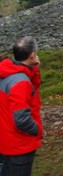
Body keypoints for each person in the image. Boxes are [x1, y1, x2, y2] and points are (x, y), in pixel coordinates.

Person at [0, 36, 43, 176]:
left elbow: (31, 89)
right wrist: (37, 129)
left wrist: (35, 70)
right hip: (20, 144)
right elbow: (21, 119)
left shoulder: (7, 72)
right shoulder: (21, 82)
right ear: (32, 55)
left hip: (6, 138)